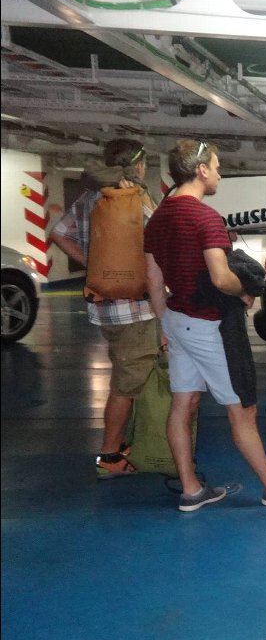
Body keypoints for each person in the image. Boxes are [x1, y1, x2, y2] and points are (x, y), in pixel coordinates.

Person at [143, 138, 266, 512]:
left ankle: (191, 490)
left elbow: (154, 282)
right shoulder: (205, 218)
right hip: (209, 326)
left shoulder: (157, 218)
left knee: (183, 404)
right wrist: (244, 291)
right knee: (242, 409)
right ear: (201, 170)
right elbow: (222, 278)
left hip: (176, 319)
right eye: (218, 167)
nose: (220, 174)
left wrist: (164, 327)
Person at [50, 138, 161, 478]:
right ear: (138, 166)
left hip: (104, 308)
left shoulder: (88, 200)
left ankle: (123, 445)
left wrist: (93, 267)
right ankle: (110, 456)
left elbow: (58, 234)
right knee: (126, 384)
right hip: (136, 310)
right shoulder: (137, 203)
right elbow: (161, 247)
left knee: (123, 376)